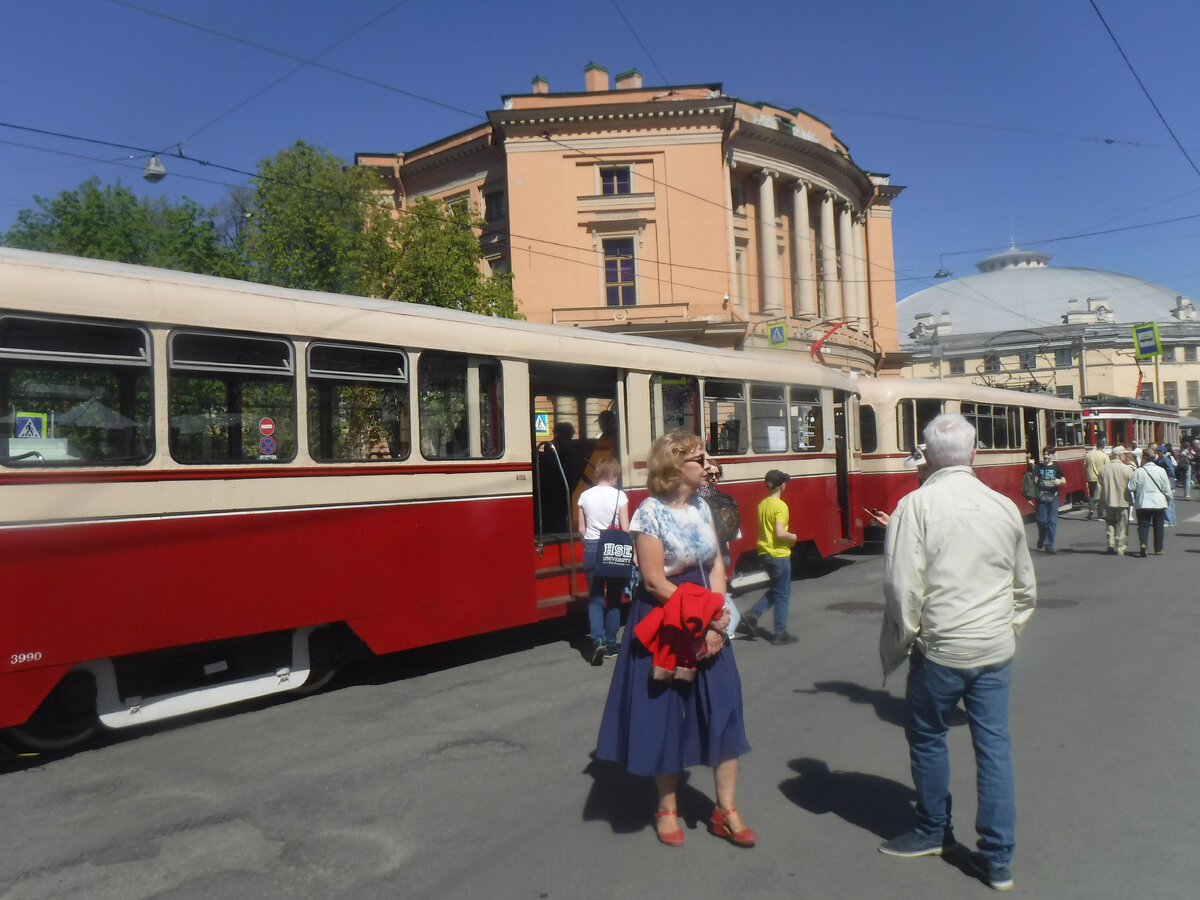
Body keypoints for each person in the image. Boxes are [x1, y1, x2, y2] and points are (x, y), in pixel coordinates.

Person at [878, 414, 1036, 893]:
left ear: (926, 456)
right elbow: (1023, 585)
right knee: (994, 749)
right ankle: (997, 860)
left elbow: (902, 588)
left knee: (927, 736)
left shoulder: (915, 506)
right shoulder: (1003, 505)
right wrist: (1006, 629)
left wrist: (908, 641)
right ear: (974, 453)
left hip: (942, 647)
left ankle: (933, 831)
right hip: (995, 646)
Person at [595, 432, 755, 849]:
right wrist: (703, 619)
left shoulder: (703, 505)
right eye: (700, 458)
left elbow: (718, 564)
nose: (708, 465)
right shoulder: (648, 513)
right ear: (675, 466)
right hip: (666, 617)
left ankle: (726, 810)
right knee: (665, 712)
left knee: (723, 707)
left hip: (708, 613)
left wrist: (719, 619)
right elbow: (653, 580)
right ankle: (666, 807)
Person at [577, 456, 630, 664]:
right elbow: (625, 528)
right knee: (615, 597)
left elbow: (581, 529)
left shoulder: (584, 496)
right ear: (613, 474)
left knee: (596, 598)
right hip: (613, 549)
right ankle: (610, 643)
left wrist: (588, 544)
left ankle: (596, 641)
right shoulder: (620, 496)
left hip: (591, 547)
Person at [745, 470, 798, 645]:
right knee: (782, 594)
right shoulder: (780, 506)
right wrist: (794, 537)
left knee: (777, 589)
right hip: (779, 554)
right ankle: (780, 633)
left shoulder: (763, 504)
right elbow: (780, 533)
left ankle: (752, 615)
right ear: (782, 485)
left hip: (765, 553)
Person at [1130, 447, 1170, 557]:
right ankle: (1158, 548)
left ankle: (1143, 544)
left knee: (1143, 525)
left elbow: (1131, 487)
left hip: (1143, 502)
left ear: (1144, 458)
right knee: (1158, 526)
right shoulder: (1161, 471)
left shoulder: (1139, 471)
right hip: (1159, 502)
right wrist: (1169, 500)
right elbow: (1167, 488)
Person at [1097, 450, 1135, 555]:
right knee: (1123, 526)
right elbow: (1132, 484)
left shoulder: (1103, 469)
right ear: (1120, 455)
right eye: (1124, 454)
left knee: (1110, 523)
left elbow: (1100, 482)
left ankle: (1111, 543)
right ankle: (1121, 547)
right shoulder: (1127, 469)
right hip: (1124, 501)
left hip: (1108, 500)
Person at [1032, 447, 1065, 553]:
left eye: (1048, 454)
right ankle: (1042, 537)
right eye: (1044, 454)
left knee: (1052, 521)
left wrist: (1059, 481)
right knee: (1041, 521)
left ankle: (1049, 545)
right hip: (1041, 497)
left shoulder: (1056, 467)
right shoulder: (1038, 467)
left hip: (1053, 497)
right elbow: (1034, 480)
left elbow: (1064, 480)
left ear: (1052, 456)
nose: (1046, 456)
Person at [1084, 438, 1108, 519]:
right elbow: (1107, 468)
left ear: (1096, 446)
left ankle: (1091, 509)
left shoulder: (1089, 454)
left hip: (1091, 477)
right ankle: (1100, 514)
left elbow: (1085, 465)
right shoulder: (1105, 456)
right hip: (1101, 479)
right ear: (1103, 447)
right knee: (1101, 497)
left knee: (1091, 494)